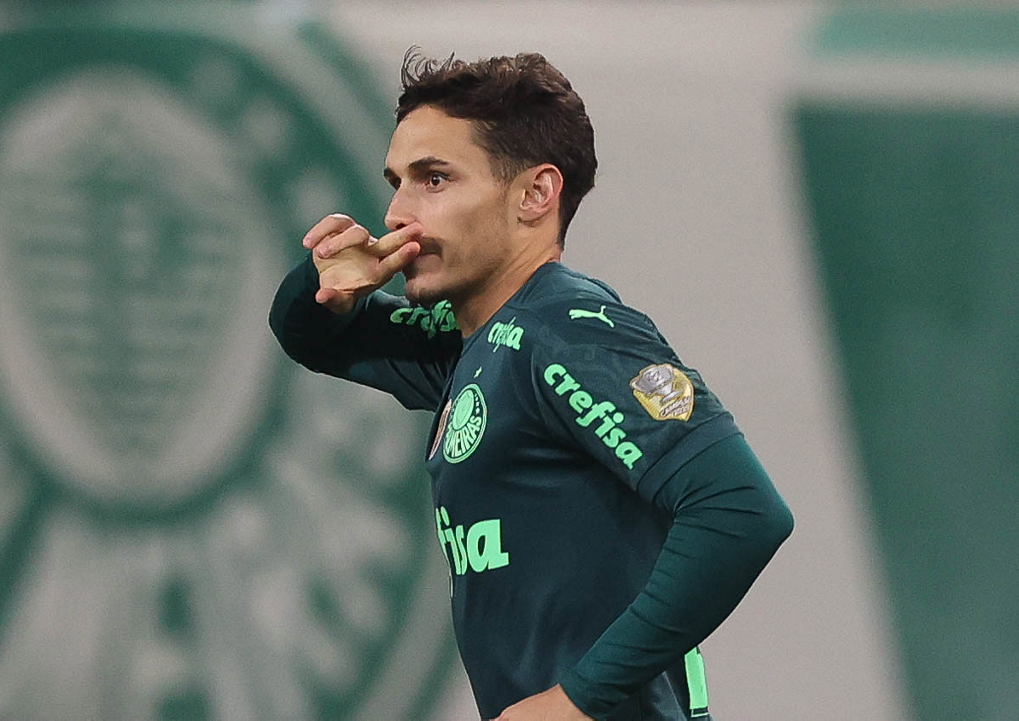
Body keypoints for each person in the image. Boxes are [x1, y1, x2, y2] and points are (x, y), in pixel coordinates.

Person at [268, 51, 793, 721]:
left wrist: (575, 700)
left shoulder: (568, 330)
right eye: (397, 182)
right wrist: (320, 286)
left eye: (434, 179)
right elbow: (308, 335)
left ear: (535, 195)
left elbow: (741, 510)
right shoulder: (470, 343)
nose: (396, 212)